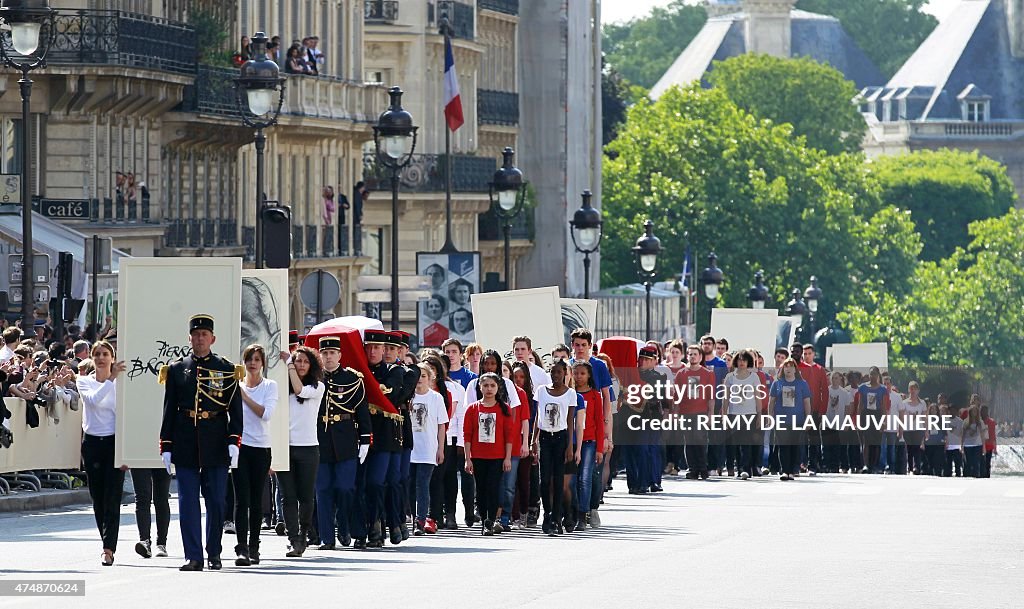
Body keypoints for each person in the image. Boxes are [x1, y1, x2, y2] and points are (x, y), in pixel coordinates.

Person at [159, 314, 244, 571]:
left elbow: (235, 408)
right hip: (185, 439)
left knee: (217, 501)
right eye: (195, 335)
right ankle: (193, 555)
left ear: (212, 338)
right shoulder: (175, 369)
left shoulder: (226, 368)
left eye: (204, 335)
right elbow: (169, 408)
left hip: (216, 440)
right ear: (189, 338)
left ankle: (214, 552)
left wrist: (233, 439)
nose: (199, 339)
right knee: (187, 501)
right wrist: (166, 444)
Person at [314, 336, 371, 550]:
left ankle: (346, 526)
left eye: (332, 353)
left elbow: (362, 411)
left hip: (346, 440)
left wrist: (365, 439)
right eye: (324, 353)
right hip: (320, 440)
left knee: (347, 488)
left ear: (339, 355)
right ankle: (327, 538)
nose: (328, 357)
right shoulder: (314, 377)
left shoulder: (352, 379)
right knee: (323, 490)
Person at [77, 340, 127, 566]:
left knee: (113, 496)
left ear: (112, 358)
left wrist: (128, 450)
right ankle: (104, 539)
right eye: (97, 354)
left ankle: (109, 547)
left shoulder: (120, 384)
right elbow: (93, 401)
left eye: (105, 354)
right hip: (92, 443)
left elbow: (125, 415)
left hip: (114, 442)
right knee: (98, 496)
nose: (100, 358)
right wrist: (111, 379)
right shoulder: (84, 381)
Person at [232, 344, 278, 565]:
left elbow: (266, 414)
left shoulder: (270, 386)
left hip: (261, 448)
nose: (252, 363)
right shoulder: (235, 386)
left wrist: (244, 396)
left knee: (256, 500)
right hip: (240, 447)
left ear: (262, 364)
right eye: (249, 359)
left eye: (257, 360)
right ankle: (241, 547)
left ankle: (254, 546)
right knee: (241, 500)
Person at [278, 345, 325, 557]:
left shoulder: (317, 387)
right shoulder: (280, 387)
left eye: (305, 362)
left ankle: (304, 533)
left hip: (307, 448)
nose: (301, 365)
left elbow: (299, 390)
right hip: (285, 447)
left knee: (306, 496)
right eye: (298, 361)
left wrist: (288, 364)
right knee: (288, 496)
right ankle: (293, 537)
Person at [362, 329, 406, 548]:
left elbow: (390, 393)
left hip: (385, 435)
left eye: (377, 348)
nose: (373, 352)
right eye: (368, 347)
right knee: (365, 483)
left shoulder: (394, 372)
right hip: (360, 433)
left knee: (381, 481)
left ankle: (382, 523)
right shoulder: (358, 371)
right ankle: (371, 524)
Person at [463, 372, 515, 536]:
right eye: (485, 385)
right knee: (481, 489)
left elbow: (509, 435)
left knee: (493, 488)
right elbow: (467, 435)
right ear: (480, 387)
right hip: (478, 456)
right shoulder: (472, 409)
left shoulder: (504, 408)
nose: (489, 389)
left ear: (498, 387)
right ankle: (484, 519)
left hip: (497, 456)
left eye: (492, 385)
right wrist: (467, 458)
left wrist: (507, 457)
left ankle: (491, 521)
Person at [409, 363, 448, 535]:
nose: (419, 380)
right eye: (417, 376)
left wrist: (440, 449)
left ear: (430, 379)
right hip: (410, 448)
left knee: (422, 484)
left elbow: (441, 426)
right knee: (409, 484)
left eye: (423, 376)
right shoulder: (408, 396)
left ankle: (421, 519)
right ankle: (409, 518)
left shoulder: (436, 398)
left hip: (427, 448)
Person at [571, 360, 604, 530]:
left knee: (585, 477)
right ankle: (571, 512)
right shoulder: (569, 393)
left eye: (582, 373)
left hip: (589, 441)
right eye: (576, 373)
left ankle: (583, 515)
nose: (579, 377)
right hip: (572, 441)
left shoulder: (594, 395)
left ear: (589, 375)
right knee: (572, 479)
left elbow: (599, 421)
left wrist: (599, 449)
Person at [722, 349, 763, 480]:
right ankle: (739, 468)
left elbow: (758, 397)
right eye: (739, 360)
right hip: (734, 413)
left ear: (748, 362)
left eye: (744, 360)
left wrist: (759, 414)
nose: (741, 363)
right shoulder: (730, 377)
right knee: (736, 442)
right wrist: (724, 414)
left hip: (749, 413)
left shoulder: (754, 377)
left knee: (747, 442)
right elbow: (726, 398)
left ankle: (746, 468)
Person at [767, 358, 811, 481]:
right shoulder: (777, 383)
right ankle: (785, 471)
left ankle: (793, 470)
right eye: (786, 366)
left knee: (795, 446)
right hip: (781, 420)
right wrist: (770, 416)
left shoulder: (802, 384)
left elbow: (807, 402)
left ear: (795, 369)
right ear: (783, 369)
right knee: (783, 446)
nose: (788, 369)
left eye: (791, 366)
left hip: (797, 420)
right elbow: (772, 402)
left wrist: (808, 419)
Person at [676, 345, 715, 480]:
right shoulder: (681, 374)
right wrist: (675, 414)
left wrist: (710, 415)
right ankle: (692, 468)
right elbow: (677, 396)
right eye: (690, 354)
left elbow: (711, 397)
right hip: (685, 412)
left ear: (700, 357)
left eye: (695, 354)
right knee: (689, 440)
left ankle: (703, 467)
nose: (692, 356)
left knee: (700, 439)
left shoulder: (708, 374)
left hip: (701, 412)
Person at [853, 367, 889, 474]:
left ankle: (875, 465)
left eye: (874, 374)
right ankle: (866, 464)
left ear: (878, 375)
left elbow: (883, 407)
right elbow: (860, 405)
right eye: (870, 374)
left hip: (877, 415)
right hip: (866, 414)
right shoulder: (863, 387)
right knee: (866, 441)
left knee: (876, 442)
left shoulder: (882, 389)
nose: (872, 376)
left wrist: (884, 421)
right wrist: (858, 419)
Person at [824, 371, 853, 473]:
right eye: (833, 378)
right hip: (828, 422)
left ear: (840, 379)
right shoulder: (826, 391)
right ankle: (827, 466)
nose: (834, 380)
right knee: (827, 446)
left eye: (836, 378)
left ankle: (836, 466)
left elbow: (847, 409)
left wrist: (846, 423)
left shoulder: (845, 393)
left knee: (838, 447)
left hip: (839, 423)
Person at [902, 381, 927, 475]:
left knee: (917, 448)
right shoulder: (904, 403)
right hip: (907, 429)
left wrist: (926, 430)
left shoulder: (922, 403)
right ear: (908, 390)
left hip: (918, 428)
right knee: (909, 449)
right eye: (911, 388)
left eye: (914, 389)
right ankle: (910, 467)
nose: (912, 391)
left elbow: (924, 417)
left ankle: (917, 467)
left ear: (918, 390)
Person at [962, 405, 986, 478]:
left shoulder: (980, 422)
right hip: (967, 445)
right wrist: (961, 446)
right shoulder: (965, 422)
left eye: (975, 411)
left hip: (977, 445)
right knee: (968, 463)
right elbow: (963, 435)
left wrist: (984, 447)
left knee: (976, 462)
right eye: (972, 411)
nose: (974, 413)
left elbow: (982, 435)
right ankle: (967, 476)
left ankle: (976, 476)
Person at [981, 405, 996, 478]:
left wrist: (995, 447)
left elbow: (993, 435)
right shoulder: (979, 421)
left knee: (987, 463)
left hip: (989, 445)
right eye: (982, 410)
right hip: (980, 445)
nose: (983, 412)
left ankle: (987, 476)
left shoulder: (991, 421)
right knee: (981, 463)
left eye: (985, 411)